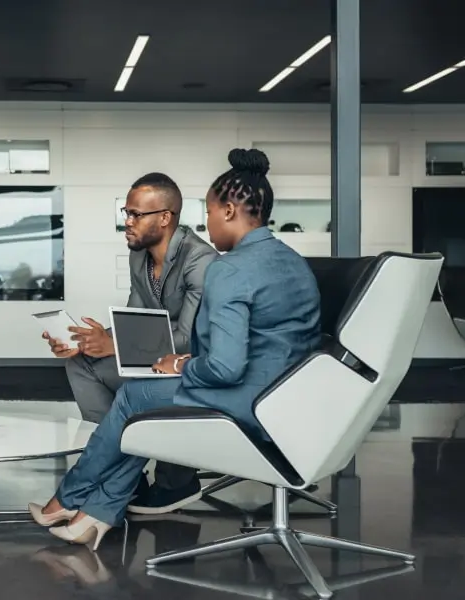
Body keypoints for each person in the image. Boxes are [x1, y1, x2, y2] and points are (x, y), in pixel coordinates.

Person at [29, 149, 322, 550]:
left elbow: (224, 367)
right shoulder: (292, 261)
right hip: (288, 394)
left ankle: (71, 496)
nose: (207, 221)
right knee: (137, 398)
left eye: (212, 211)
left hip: (247, 397)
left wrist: (182, 364)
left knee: (137, 397)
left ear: (231, 211)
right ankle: (97, 512)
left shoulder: (226, 268)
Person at [42, 172, 217, 514]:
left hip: (194, 367)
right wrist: (88, 342)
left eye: (137, 214)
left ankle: (177, 481)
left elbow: (190, 338)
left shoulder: (200, 261)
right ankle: (120, 470)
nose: (128, 223)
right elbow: (135, 321)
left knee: (135, 385)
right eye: (127, 213)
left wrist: (116, 345)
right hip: (155, 360)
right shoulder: (140, 257)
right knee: (81, 364)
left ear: (165, 218)